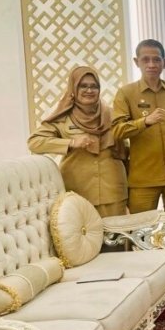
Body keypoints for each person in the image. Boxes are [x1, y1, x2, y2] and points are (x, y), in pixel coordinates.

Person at [28, 65, 128, 217]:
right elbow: (34, 142)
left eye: (94, 86)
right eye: (83, 86)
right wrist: (71, 143)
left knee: (117, 232)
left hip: (113, 192)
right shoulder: (63, 117)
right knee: (82, 232)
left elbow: (126, 151)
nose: (89, 90)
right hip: (78, 192)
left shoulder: (112, 115)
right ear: (73, 88)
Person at [112, 39, 165, 217]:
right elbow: (117, 130)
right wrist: (145, 122)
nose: (151, 64)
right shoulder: (126, 92)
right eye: (145, 59)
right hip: (144, 177)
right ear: (136, 62)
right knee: (142, 228)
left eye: (156, 59)